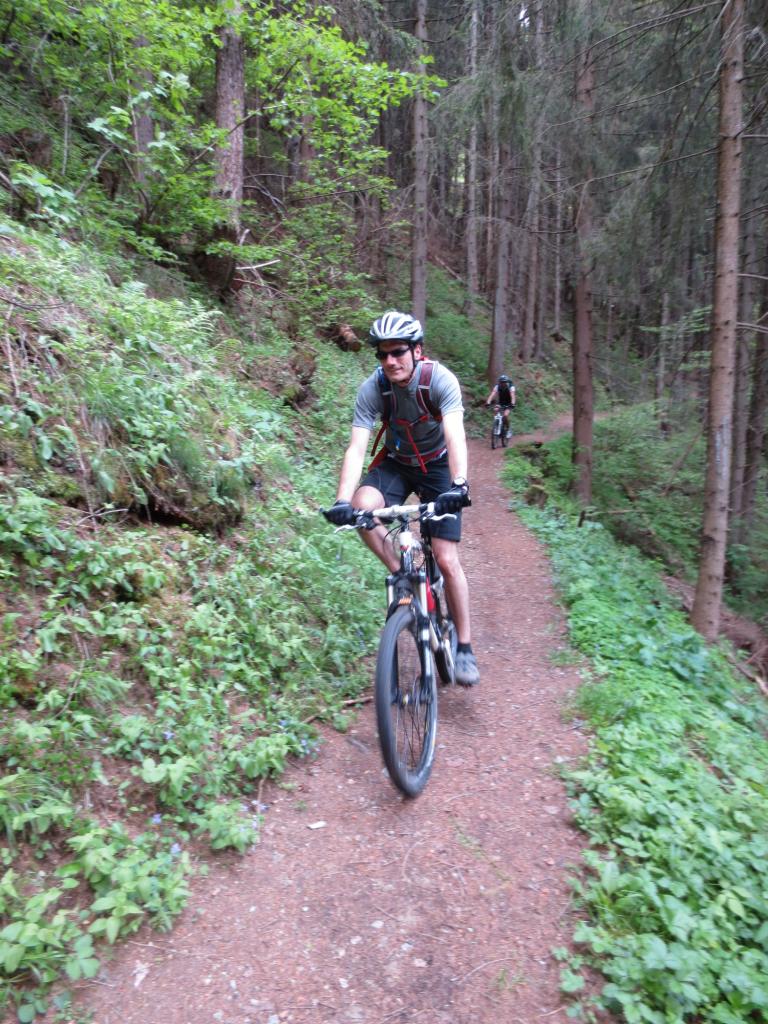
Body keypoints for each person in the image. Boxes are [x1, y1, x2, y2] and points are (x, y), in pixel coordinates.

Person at [323, 310, 480, 687]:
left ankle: (464, 645)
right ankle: (400, 573)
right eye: (382, 354)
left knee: (444, 557)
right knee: (362, 509)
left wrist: (459, 485)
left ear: (417, 351)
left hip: (439, 468)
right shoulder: (373, 388)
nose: (389, 360)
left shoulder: (439, 381)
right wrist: (343, 500)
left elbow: (455, 434)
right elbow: (357, 447)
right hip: (396, 463)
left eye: (398, 352)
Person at [485, 374, 516, 439]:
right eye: (501, 382)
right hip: (501, 402)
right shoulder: (497, 386)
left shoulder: (511, 386)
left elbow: (512, 395)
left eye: (504, 382)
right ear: (499, 382)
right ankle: (496, 424)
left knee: (505, 415)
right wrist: (488, 402)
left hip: (509, 403)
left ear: (506, 382)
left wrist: (512, 403)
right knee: (495, 410)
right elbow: (492, 394)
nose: (503, 383)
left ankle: (508, 430)